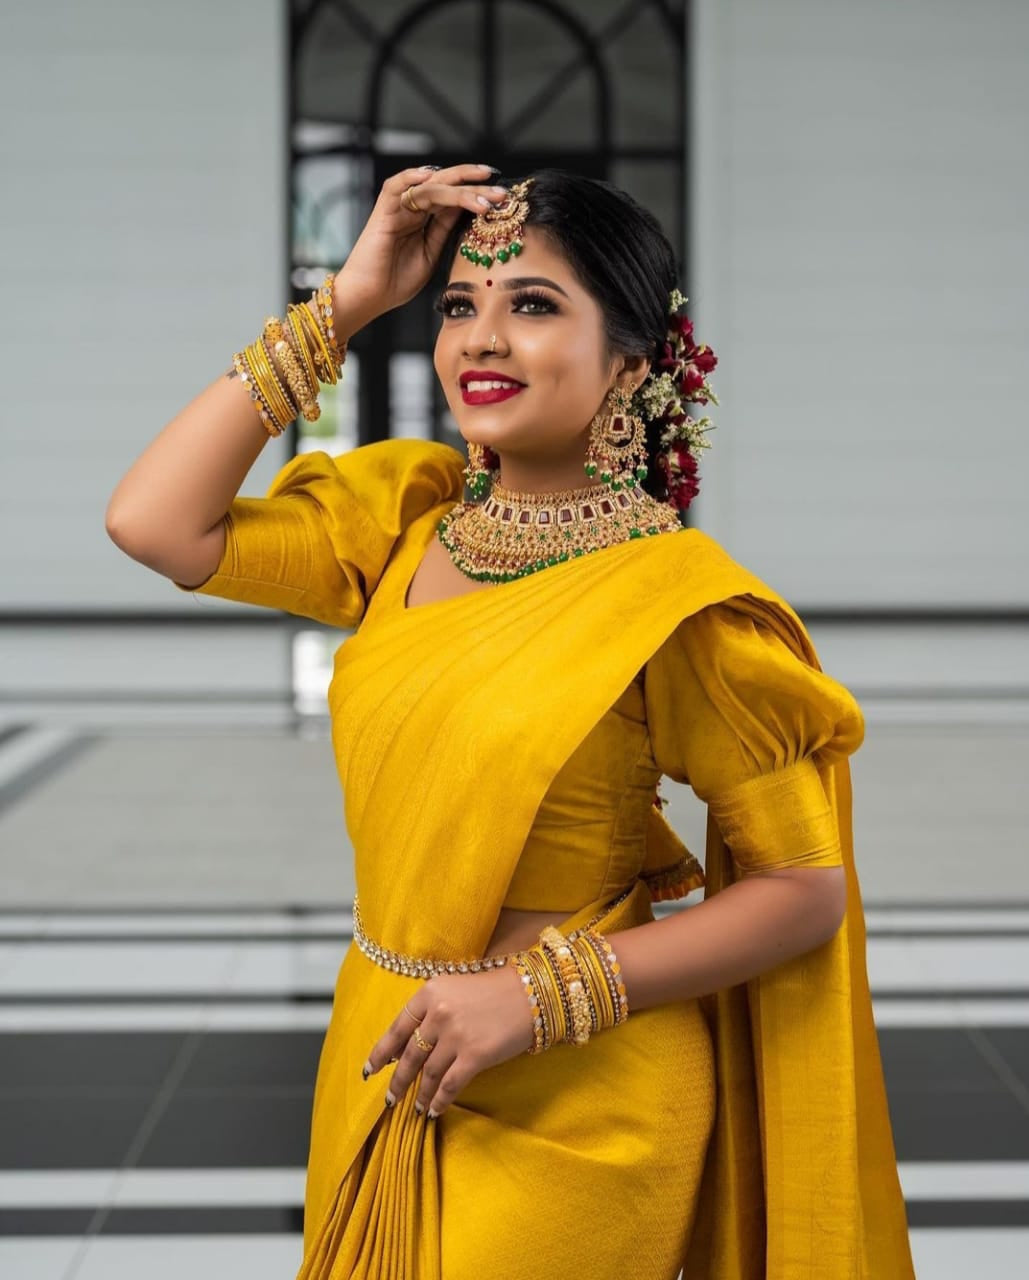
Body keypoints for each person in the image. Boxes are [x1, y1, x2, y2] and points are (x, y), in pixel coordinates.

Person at [106, 164, 916, 1279]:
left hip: (583, 1086)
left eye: (532, 304)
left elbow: (801, 890)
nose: (479, 339)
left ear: (630, 361)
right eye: (457, 306)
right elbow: (154, 523)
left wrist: (542, 999)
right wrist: (344, 302)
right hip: (389, 1049)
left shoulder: (672, 604)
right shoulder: (401, 524)